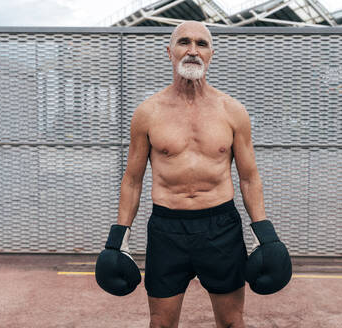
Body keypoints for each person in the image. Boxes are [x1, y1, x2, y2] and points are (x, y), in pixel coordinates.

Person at [95, 20, 291, 328]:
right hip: (167, 229)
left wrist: (264, 234)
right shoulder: (148, 112)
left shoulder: (232, 111)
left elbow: (250, 177)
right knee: (160, 325)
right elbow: (132, 180)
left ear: (212, 52)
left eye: (201, 43)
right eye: (184, 42)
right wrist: (118, 239)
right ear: (169, 51)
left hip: (221, 228)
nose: (192, 50)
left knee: (231, 323)